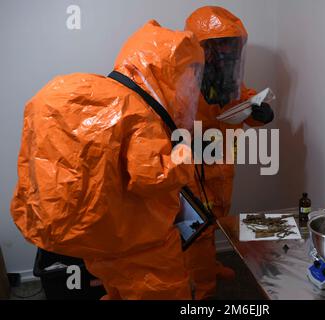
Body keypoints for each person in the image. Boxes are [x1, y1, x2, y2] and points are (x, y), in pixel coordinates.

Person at [10, 20, 204, 300]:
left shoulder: (87, 91)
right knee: (161, 290)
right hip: (139, 243)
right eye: (186, 75)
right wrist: (188, 151)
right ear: (165, 71)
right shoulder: (138, 112)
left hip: (92, 237)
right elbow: (154, 177)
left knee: (115, 285)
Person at [184, 6, 274, 299]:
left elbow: (244, 102)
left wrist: (261, 113)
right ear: (202, 48)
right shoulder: (182, 83)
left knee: (216, 222)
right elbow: (166, 130)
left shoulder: (228, 81)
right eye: (221, 44)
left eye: (231, 44)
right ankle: (204, 287)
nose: (228, 51)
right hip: (194, 174)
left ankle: (210, 266)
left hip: (223, 171)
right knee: (197, 231)